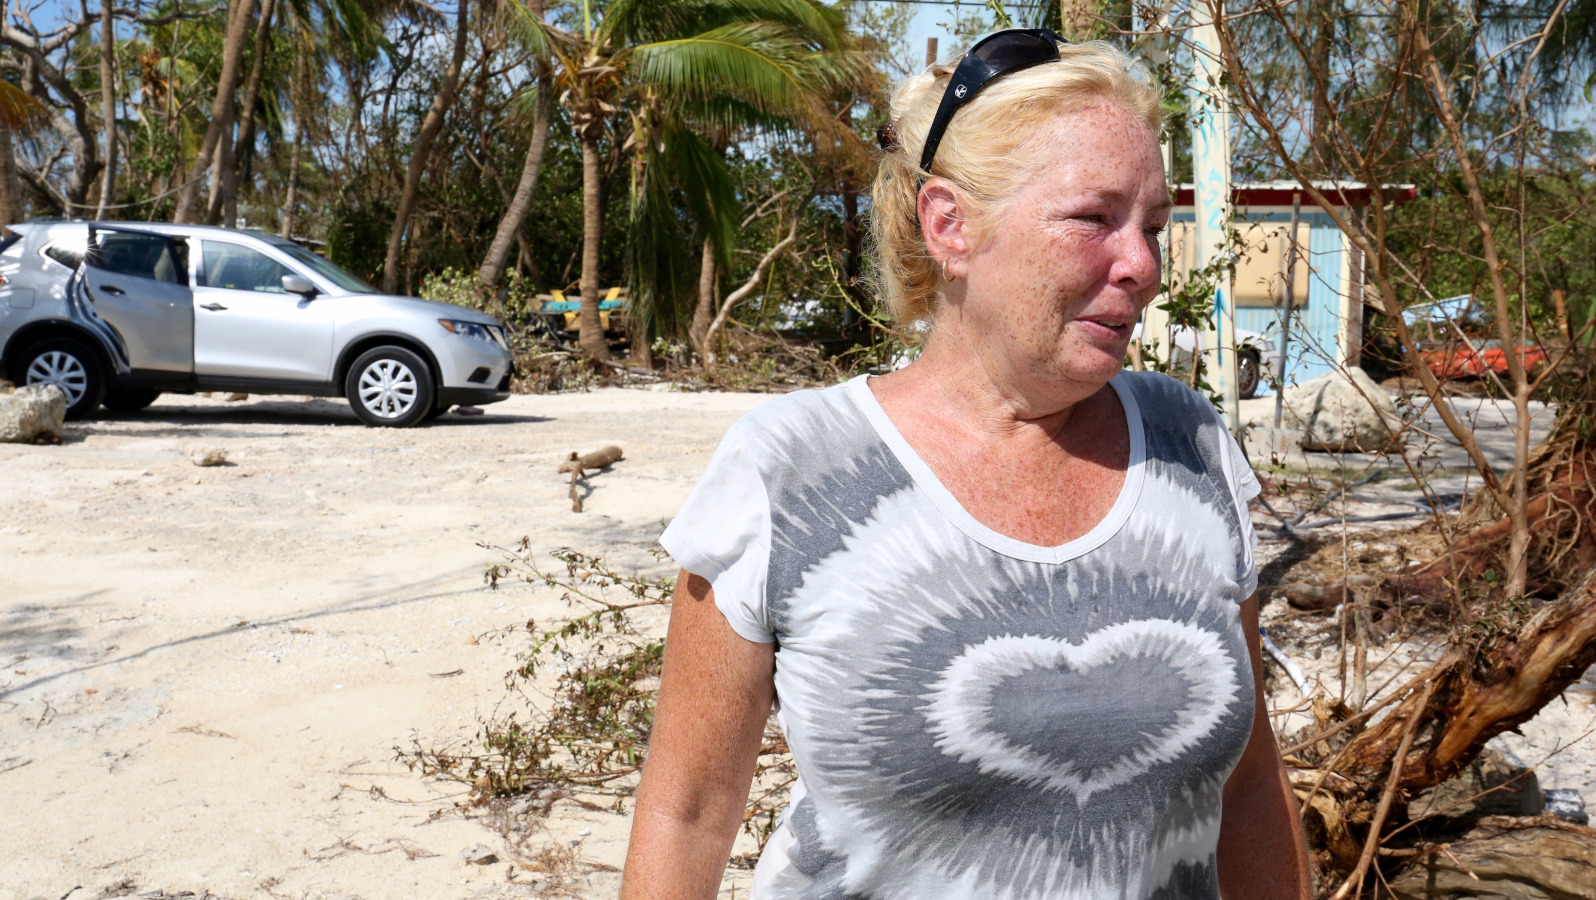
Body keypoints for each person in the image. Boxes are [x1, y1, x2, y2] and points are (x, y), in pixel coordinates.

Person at [620, 32, 1311, 900]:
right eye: (1093, 218)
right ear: (949, 225)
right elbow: (685, 812)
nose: (1140, 266)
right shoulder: (788, 470)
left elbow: (1250, 791)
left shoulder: (1192, 443)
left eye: (1154, 226)